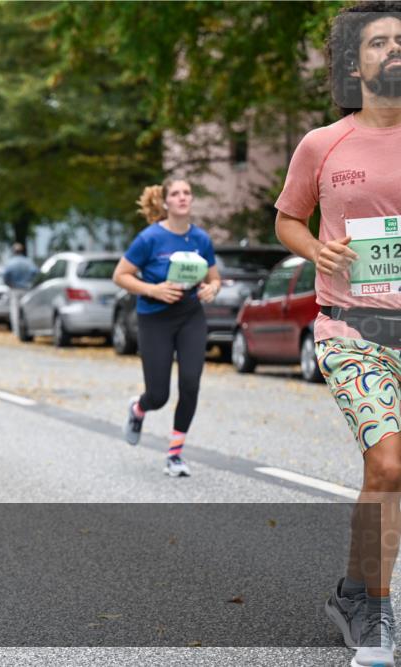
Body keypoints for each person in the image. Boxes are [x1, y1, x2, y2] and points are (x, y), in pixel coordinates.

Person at [274, 4, 401, 665]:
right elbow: (288, 218)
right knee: (388, 463)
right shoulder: (323, 143)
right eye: (380, 42)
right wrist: (315, 250)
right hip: (351, 330)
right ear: (356, 65)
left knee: (392, 478)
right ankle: (375, 611)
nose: (395, 49)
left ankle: (355, 585)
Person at [112, 177, 221, 477]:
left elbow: (215, 278)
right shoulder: (149, 238)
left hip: (189, 315)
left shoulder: (201, 239)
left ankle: (174, 455)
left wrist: (212, 290)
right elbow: (120, 275)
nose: (183, 197)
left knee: (190, 383)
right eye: (176, 193)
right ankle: (138, 409)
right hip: (155, 318)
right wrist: (153, 289)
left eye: (187, 192)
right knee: (158, 395)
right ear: (165, 202)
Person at [2, 242, 38, 337]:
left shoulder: (10, 262)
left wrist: (9, 284)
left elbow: (5, 275)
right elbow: (35, 272)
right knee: (27, 310)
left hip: (15, 289)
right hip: (27, 289)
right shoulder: (28, 262)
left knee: (15, 311)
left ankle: (17, 332)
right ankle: (28, 330)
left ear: (14, 251)